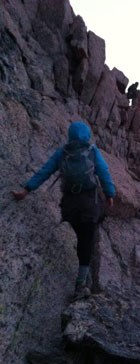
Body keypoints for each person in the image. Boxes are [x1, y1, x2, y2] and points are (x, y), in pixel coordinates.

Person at [12, 121, 116, 299]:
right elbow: (104, 172)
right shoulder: (92, 151)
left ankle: (78, 268)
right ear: (87, 135)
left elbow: (45, 171)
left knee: (76, 236)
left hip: (69, 203)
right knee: (87, 240)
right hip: (88, 202)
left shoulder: (63, 152)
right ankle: (80, 284)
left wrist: (27, 189)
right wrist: (110, 194)